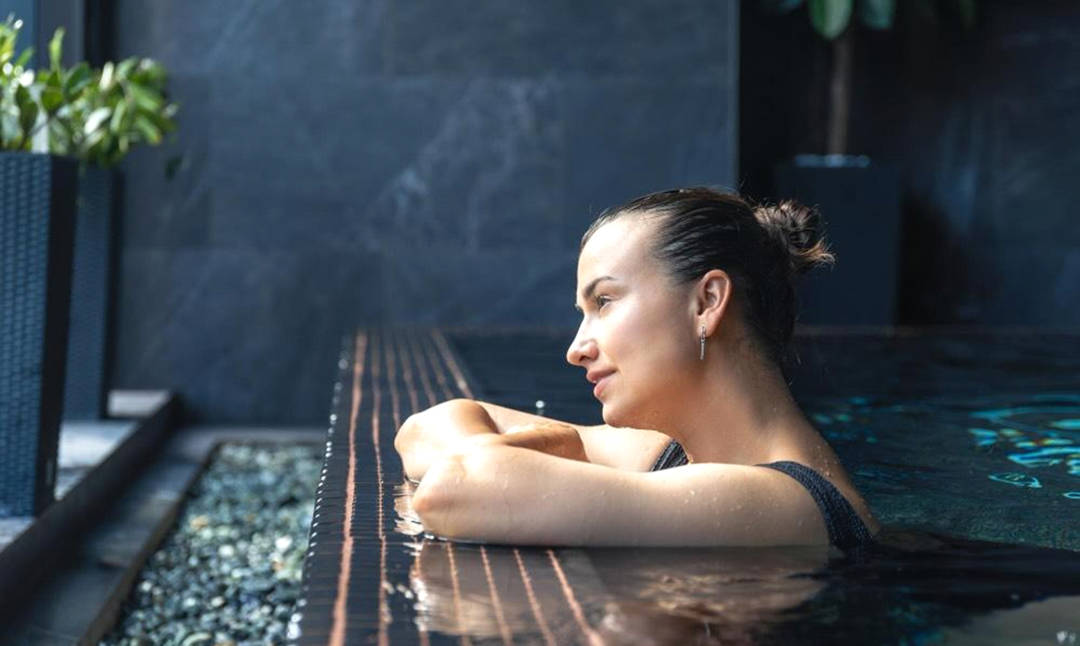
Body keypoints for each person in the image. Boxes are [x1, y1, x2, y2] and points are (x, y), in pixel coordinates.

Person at [394, 186, 880, 548]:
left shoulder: (784, 503)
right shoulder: (675, 456)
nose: (576, 348)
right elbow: (424, 428)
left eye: (604, 301)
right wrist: (543, 449)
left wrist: (541, 449)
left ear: (706, 302)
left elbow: (452, 489)